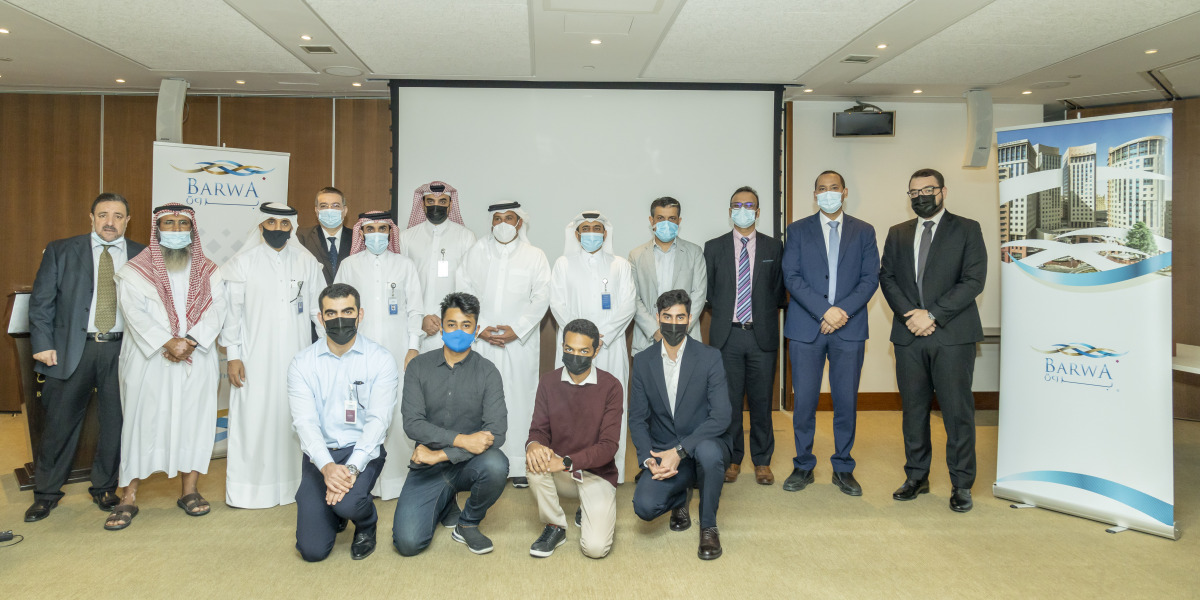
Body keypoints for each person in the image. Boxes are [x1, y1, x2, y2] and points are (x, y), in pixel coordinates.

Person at [104, 204, 226, 530]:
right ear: (157, 228)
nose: (175, 229)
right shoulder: (135, 270)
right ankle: (128, 497)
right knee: (141, 424)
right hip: (150, 359)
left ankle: (189, 491)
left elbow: (218, 310)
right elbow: (133, 312)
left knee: (194, 422)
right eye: (168, 223)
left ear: (192, 229)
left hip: (195, 357)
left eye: (182, 223)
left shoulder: (209, 270)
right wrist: (167, 341)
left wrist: (191, 341)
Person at [25, 193, 145, 522]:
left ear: (127, 220)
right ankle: (46, 493)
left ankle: (105, 487)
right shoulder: (61, 250)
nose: (110, 221)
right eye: (103, 214)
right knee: (59, 424)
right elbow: (41, 302)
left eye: (118, 216)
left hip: (122, 350)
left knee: (115, 424)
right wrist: (43, 342)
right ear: (90, 217)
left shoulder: (142, 255)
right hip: (69, 349)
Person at [879, 168, 986, 513]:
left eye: (928, 189)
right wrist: (912, 314)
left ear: (943, 191)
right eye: (914, 192)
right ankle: (916, 477)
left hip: (952, 336)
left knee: (957, 412)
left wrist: (933, 314)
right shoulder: (897, 233)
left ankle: (961, 483)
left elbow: (973, 280)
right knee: (913, 411)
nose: (921, 196)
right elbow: (888, 278)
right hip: (909, 335)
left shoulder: (968, 229)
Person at [218, 202, 325, 509]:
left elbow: (319, 310)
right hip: (254, 359)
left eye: (284, 224)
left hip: (298, 357)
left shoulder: (306, 261)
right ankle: (250, 490)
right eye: (271, 223)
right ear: (260, 225)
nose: (278, 229)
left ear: (292, 227)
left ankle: (293, 488)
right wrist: (233, 356)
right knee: (254, 420)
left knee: (294, 418)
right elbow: (232, 316)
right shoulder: (242, 263)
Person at [781, 172, 879, 496]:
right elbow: (792, 277)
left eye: (833, 188)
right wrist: (824, 310)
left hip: (848, 330)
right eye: (821, 189)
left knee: (846, 402)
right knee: (805, 401)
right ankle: (803, 466)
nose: (828, 194)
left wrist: (841, 312)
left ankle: (843, 468)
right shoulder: (796, 230)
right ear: (814, 195)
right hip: (806, 328)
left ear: (844, 192)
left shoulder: (864, 231)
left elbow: (870, 279)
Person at [288, 283, 399, 561]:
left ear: (360, 314)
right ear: (320, 317)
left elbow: (378, 422)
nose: (340, 319)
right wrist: (326, 467)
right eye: (331, 313)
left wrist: (350, 468)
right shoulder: (302, 364)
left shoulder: (381, 360)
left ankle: (366, 522)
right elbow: (305, 422)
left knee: (349, 502)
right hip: (321, 455)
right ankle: (334, 511)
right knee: (312, 551)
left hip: (361, 451)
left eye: (347, 311)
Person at [392, 292, 508, 556]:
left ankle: (467, 523)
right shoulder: (418, 367)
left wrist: (440, 454)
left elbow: (496, 433)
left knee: (497, 463)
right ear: (442, 327)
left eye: (466, 325)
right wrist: (462, 440)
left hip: (469, 463)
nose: (459, 331)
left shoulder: (488, 372)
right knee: (408, 544)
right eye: (452, 324)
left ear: (476, 330)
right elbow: (412, 424)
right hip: (427, 467)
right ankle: (445, 502)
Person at [629, 290, 732, 560]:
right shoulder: (642, 361)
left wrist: (681, 450)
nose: (674, 323)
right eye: (667, 317)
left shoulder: (710, 357)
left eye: (680, 317)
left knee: (709, 455)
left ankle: (708, 525)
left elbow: (721, 416)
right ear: (658, 318)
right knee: (645, 507)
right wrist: (646, 459)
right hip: (664, 449)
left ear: (689, 319)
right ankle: (681, 495)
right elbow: (637, 418)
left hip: (702, 443)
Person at [457, 202, 551, 488]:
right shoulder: (476, 252)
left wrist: (517, 329)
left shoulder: (535, 256)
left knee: (520, 399)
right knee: (480, 400)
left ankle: (521, 464)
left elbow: (542, 296)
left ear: (519, 223)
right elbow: (464, 289)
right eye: (497, 219)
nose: (502, 224)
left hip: (519, 343)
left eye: (509, 218)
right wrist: (481, 327)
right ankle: (480, 463)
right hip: (483, 340)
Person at [333, 211, 423, 500]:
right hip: (357, 351)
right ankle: (360, 480)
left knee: (393, 412)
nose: (376, 234)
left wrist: (413, 347)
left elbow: (415, 310)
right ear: (361, 232)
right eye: (369, 229)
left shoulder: (404, 265)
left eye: (382, 228)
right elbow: (336, 307)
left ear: (390, 231)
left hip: (397, 351)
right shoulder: (349, 265)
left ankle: (395, 479)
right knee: (358, 410)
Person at [703, 186, 786, 486]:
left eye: (749, 205)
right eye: (737, 205)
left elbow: (779, 292)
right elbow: (710, 293)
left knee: (762, 403)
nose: (743, 209)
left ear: (758, 212)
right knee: (729, 403)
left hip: (761, 336)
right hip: (728, 336)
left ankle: (762, 461)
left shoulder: (774, 248)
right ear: (729, 212)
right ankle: (733, 459)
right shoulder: (713, 247)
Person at [549, 211, 636, 482]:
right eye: (585, 228)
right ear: (576, 234)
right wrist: (581, 340)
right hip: (575, 350)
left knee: (610, 408)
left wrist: (601, 338)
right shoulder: (563, 264)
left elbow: (628, 305)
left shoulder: (620, 265)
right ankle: (569, 468)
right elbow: (557, 303)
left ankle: (613, 472)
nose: (591, 232)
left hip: (609, 347)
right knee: (571, 407)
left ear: (605, 233)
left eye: (597, 228)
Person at [525, 318, 623, 559]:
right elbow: (539, 429)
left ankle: (587, 508)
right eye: (569, 349)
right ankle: (555, 525)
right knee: (534, 463)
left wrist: (568, 461)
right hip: (560, 471)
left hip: (595, 473)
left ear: (596, 350)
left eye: (583, 351)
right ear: (562, 345)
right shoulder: (548, 382)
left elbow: (608, 447)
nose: (575, 356)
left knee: (596, 549)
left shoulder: (611, 386)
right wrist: (534, 445)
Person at [398, 181, 477, 353]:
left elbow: (469, 285)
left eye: (442, 202)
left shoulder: (466, 237)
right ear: (423, 204)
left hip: (453, 325)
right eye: (431, 202)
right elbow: (402, 283)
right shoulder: (406, 237)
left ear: (450, 205)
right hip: (415, 325)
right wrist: (421, 319)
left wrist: (447, 318)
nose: (436, 206)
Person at [629, 196, 707, 355]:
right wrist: (655, 330)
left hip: (686, 335)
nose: (666, 223)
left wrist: (680, 327)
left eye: (671, 218)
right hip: (649, 338)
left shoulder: (694, 252)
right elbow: (634, 298)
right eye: (660, 218)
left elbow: (699, 293)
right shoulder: (636, 255)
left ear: (679, 221)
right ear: (651, 221)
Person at [298, 187, 353, 285]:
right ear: (316, 210)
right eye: (323, 206)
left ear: (345, 210)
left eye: (335, 205)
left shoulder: (357, 238)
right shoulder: (301, 237)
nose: (329, 210)